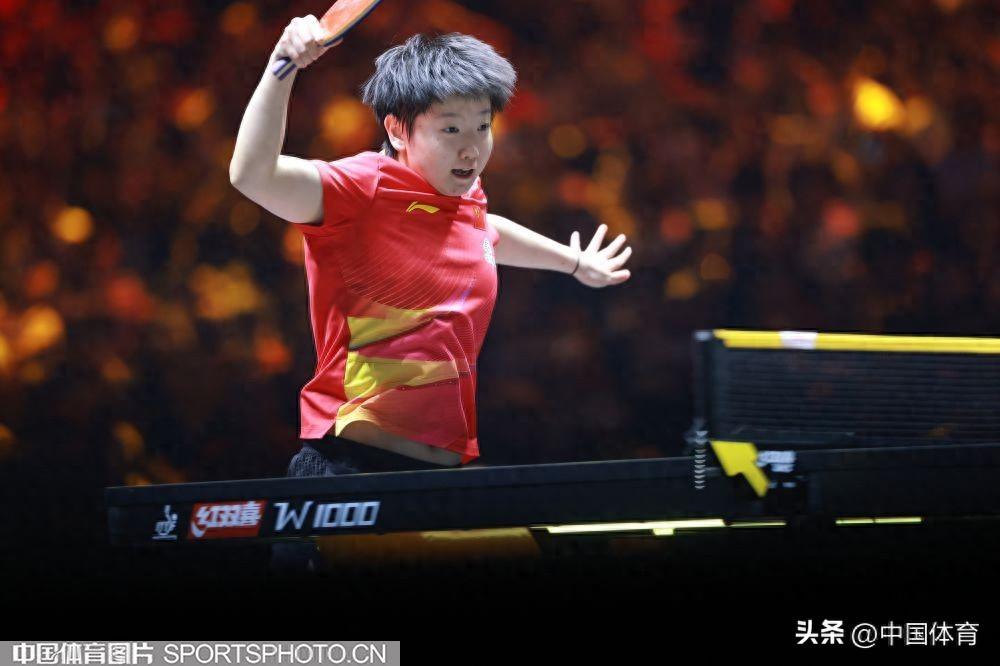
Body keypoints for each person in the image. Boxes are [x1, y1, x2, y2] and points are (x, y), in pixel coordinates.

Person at [229, 15, 633, 572]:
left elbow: (485, 230)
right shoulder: (361, 188)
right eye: (450, 130)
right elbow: (252, 175)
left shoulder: (463, 199)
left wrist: (573, 262)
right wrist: (282, 67)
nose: (471, 150)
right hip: (350, 474)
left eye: (482, 127)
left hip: (438, 481)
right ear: (398, 130)